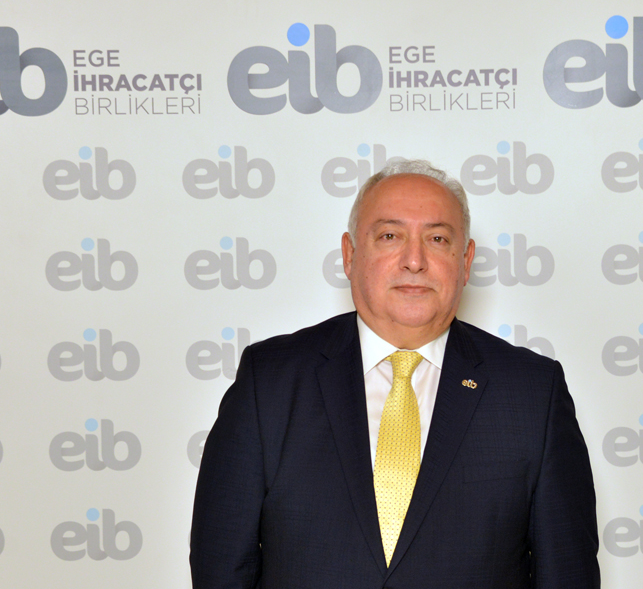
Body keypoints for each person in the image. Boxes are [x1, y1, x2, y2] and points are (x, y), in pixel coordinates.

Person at [190, 160, 599, 588]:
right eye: (390, 236)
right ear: (350, 255)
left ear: (465, 261)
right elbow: (221, 567)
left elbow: (567, 574)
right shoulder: (269, 382)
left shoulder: (533, 394)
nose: (414, 260)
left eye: (437, 239)